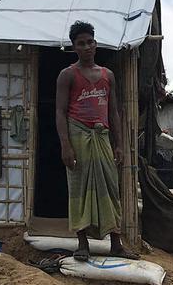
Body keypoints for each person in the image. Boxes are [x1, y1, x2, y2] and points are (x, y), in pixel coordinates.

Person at [56, 20, 134, 261]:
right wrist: (66, 146)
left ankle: (116, 244)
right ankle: (82, 243)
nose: (87, 47)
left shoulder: (107, 75)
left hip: (102, 136)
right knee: (79, 188)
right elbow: (60, 112)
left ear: (96, 43)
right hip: (78, 135)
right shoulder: (67, 75)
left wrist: (119, 144)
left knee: (110, 187)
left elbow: (114, 112)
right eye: (81, 43)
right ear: (74, 47)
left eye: (90, 42)